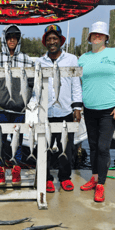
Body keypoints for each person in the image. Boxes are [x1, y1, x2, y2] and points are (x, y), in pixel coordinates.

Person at [78, 21, 115, 202]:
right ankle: (94, 177)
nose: (97, 36)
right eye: (94, 34)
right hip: (89, 109)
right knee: (92, 145)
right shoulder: (83, 58)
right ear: (89, 37)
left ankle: (101, 184)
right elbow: (78, 83)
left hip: (109, 109)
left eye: (100, 34)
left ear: (106, 37)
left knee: (103, 147)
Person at [0, 24, 34, 186]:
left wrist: (25, 101)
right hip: (0, 109)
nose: (12, 40)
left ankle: (16, 170)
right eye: (9, 37)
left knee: (18, 140)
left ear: (19, 40)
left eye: (15, 37)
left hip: (20, 109)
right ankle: (0, 169)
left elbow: (32, 84)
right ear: (4, 39)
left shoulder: (27, 60)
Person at [38, 24, 82, 193]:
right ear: (45, 42)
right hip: (46, 112)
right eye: (49, 39)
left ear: (61, 40)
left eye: (55, 38)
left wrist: (77, 106)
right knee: (45, 146)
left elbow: (76, 85)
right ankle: (47, 178)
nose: (52, 42)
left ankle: (64, 177)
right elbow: (36, 88)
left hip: (65, 111)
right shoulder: (40, 62)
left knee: (66, 147)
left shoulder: (71, 59)